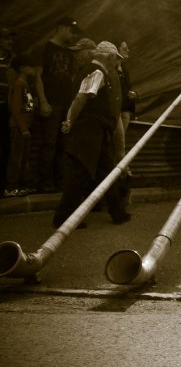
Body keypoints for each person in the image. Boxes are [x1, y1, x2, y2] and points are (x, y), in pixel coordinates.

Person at [53, 41, 130, 228]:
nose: (116, 62)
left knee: (106, 172)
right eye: (115, 59)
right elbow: (81, 98)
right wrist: (70, 121)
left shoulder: (95, 71)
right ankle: (63, 217)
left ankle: (118, 212)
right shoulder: (97, 71)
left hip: (96, 131)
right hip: (88, 131)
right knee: (79, 173)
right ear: (109, 57)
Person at [32, 16, 81, 193]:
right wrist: (43, 101)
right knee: (49, 143)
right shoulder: (44, 48)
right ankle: (44, 182)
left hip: (66, 105)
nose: (74, 36)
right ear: (62, 28)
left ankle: (59, 181)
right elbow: (37, 76)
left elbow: (72, 77)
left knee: (63, 144)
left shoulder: (69, 53)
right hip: (52, 103)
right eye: (72, 31)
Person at [4, 54, 37, 197]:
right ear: (23, 68)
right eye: (31, 67)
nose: (34, 69)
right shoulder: (19, 85)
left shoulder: (24, 85)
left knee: (23, 158)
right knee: (16, 157)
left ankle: (21, 185)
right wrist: (23, 128)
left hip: (25, 127)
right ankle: (11, 187)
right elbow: (16, 109)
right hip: (19, 127)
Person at [113, 41, 137, 177]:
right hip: (116, 110)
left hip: (125, 109)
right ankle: (124, 171)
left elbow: (127, 88)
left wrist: (133, 94)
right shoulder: (112, 68)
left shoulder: (124, 69)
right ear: (117, 49)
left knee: (118, 141)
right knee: (120, 142)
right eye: (124, 48)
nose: (128, 50)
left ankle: (115, 173)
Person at [0, 27, 17, 197]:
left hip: (6, 108)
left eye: (11, 39)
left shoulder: (13, 60)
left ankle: (3, 186)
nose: (10, 42)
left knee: (6, 146)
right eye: (6, 38)